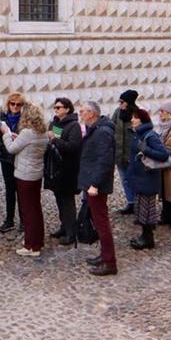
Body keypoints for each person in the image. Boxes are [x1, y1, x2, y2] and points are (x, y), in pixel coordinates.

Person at [0, 104, 49, 257]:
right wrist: (17, 137)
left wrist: (6, 134)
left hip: (25, 175)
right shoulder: (42, 132)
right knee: (36, 209)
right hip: (36, 174)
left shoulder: (28, 133)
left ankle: (31, 245)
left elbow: (11, 149)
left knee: (28, 211)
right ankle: (37, 241)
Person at [77, 101, 117, 276]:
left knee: (101, 222)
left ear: (92, 113)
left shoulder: (102, 132)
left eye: (83, 111)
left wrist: (95, 184)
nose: (80, 114)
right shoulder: (96, 129)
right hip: (91, 182)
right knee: (99, 221)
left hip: (96, 185)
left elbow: (105, 160)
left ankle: (109, 262)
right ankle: (104, 255)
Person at [127, 110, 171, 250]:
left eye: (135, 117)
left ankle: (148, 239)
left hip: (148, 178)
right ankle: (144, 236)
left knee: (147, 211)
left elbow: (163, 155)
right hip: (140, 177)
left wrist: (145, 149)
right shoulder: (138, 133)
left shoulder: (150, 135)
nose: (132, 120)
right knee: (141, 209)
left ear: (142, 120)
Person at [46, 97, 82, 245]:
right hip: (56, 169)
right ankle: (64, 226)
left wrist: (55, 140)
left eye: (59, 107)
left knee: (67, 202)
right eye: (55, 107)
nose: (56, 110)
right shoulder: (56, 123)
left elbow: (72, 146)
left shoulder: (74, 126)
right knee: (59, 199)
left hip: (68, 170)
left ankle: (71, 232)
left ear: (67, 109)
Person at [0, 92, 24, 233]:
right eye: (13, 104)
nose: (15, 107)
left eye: (18, 104)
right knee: (10, 190)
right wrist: (4, 149)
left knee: (22, 191)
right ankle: (9, 219)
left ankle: (24, 221)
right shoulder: (2, 119)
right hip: (6, 159)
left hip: (20, 158)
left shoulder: (25, 119)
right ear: (8, 104)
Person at [111, 90, 139, 215]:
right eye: (120, 102)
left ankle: (140, 204)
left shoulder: (138, 114)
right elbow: (111, 127)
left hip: (132, 154)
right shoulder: (118, 112)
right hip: (119, 154)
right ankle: (131, 202)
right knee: (125, 179)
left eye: (123, 102)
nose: (120, 104)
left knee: (135, 179)